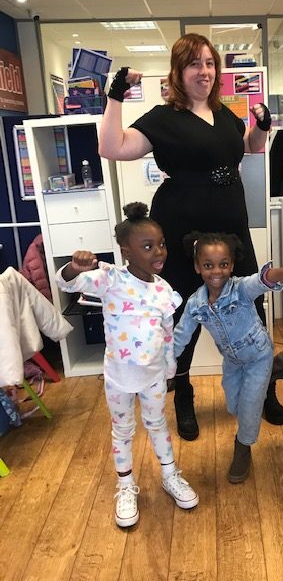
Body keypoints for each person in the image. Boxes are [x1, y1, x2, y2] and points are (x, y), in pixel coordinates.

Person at [98, 33, 283, 441]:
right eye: (194, 64)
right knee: (184, 313)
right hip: (182, 227)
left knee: (251, 309)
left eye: (209, 63)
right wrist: (116, 96)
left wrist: (262, 127)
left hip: (231, 229)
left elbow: (250, 148)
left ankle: (264, 390)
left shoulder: (225, 115)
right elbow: (112, 147)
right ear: (179, 72)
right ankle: (183, 395)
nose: (204, 71)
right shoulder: (162, 118)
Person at [55, 202, 199, 528]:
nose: (158, 252)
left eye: (161, 244)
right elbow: (65, 283)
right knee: (122, 431)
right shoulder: (110, 280)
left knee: (158, 425)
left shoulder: (164, 290)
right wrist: (74, 268)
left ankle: (169, 475)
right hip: (119, 377)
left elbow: (167, 334)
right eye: (147, 246)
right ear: (126, 252)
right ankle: (125, 485)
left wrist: (169, 369)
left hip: (153, 377)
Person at [174, 231, 283, 483]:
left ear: (232, 265)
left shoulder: (241, 289)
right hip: (233, 362)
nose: (217, 271)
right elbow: (181, 336)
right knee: (233, 406)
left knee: (249, 407)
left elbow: (263, 279)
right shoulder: (195, 304)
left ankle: (243, 447)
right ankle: (277, 368)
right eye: (208, 265)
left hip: (257, 356)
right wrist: (164, 364)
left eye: (223, 264)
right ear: (197, 267)